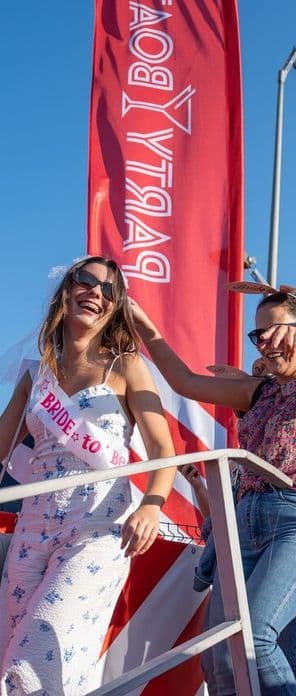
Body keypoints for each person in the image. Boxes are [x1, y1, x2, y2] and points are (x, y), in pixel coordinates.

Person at [130, 285, 296, 696]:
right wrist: (144, 325)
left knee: (255, 639)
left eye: (275, 331)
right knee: (218, 658)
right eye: (259, 334)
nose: (265, 341)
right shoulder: (258, 391)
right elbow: (183, 382)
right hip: (243, 526)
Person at [0, 256, 176, 695]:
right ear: (67, 288)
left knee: (36, 654)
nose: (96, 292)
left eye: (109, 290)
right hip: (33, 527)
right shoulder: (36, 373)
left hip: (98, 526)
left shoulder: (127, 366)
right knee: (13, 650)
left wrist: (152, 505)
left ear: (115, 307)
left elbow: (161, 450)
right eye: (87, 280)